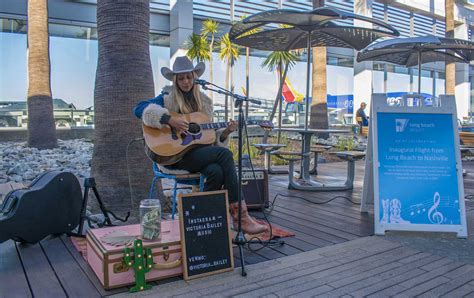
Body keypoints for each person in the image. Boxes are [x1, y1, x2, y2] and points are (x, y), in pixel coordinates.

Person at [134, 56, 268, 235]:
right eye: (181, 78)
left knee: (216, 170)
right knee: (225, 155)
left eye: (188, 77)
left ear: (194, 77)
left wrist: (227, 132)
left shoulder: (205, 103)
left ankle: (204, 218)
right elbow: (139, 109)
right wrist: (169, 119)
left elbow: (209, 136)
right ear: (175, 80)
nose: (185, 82)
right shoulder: (167, 97)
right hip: (175, 156)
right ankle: (241, 217)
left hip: (198, 154)